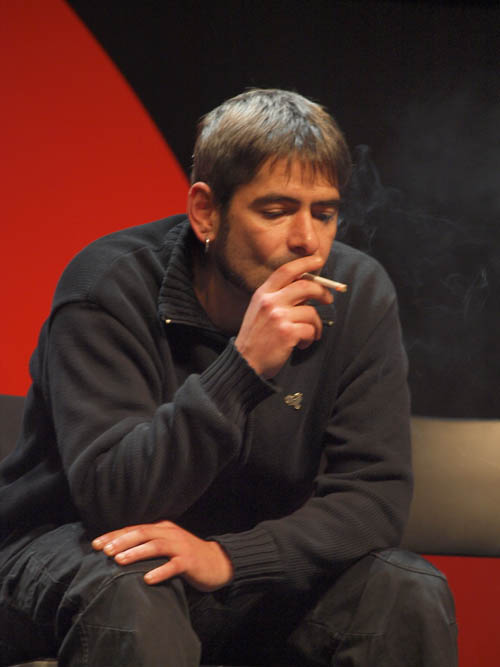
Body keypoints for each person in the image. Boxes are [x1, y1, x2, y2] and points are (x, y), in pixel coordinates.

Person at [0, 89, 457, 666]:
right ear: (205, 212)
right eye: (276, 211)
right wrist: (242, 368)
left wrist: (230, 559)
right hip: (79, 550)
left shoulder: (359, 293)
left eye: (324, 213)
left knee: (404, 591)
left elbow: (374, 497)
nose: (307, 241)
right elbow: (117, 500)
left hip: (241, 570)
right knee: (137, 583)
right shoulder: (108, 287)